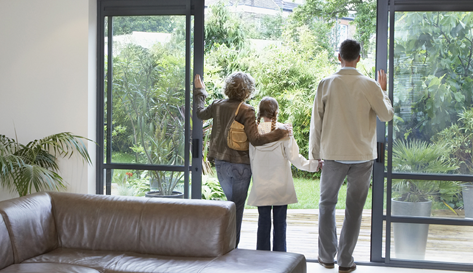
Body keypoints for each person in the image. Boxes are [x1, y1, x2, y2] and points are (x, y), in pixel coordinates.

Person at [309, 39, 394, 272]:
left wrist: (315, 155)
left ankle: (326, 257)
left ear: (339, 57)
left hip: (333, 155)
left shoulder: (325, 84)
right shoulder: (370, 85)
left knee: (326, 205)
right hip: (362, 157)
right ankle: (345, 262)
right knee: (354, 210)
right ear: (359, 58)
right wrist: (383, 91)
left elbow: (316, 124)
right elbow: (386, 116)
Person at [193, 72, 291, 248]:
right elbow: (256, 140)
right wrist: (279, 133)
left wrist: (200, 91)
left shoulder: (217, 105)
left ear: (228, 87)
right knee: (236, 208)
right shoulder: (246, 110)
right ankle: (231, 247)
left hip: (221, 164)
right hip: (241, 166)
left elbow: (200, 114)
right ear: (247, 90)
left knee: (230, 205)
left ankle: (224, 244)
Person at [247, 97, 322, 252]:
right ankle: (280, 259)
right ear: (276, 112)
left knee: (263, 223)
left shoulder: (253, 133)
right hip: (281, 185)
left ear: (260, 112)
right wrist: (313, 165)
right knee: (280, 224)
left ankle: (261, 258)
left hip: (261, 186)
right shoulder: (284, 131)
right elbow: (295, 158)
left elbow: (251, 159)